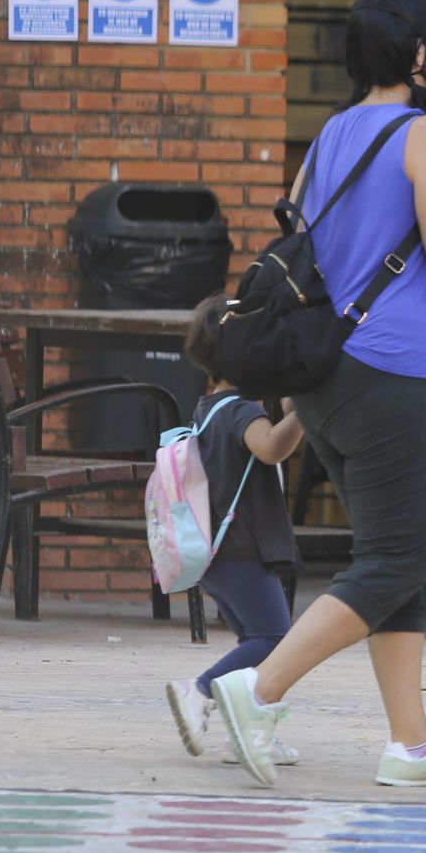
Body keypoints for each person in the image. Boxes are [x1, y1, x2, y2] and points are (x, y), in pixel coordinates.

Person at [210, 0, 426, 789]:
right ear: (409, 51)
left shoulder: (327, 139)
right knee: (395, 561)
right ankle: (260, 689)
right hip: (397, 380)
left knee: (401, 561)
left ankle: (411, 745)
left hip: (329, 384)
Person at [165, 295, 307, 766]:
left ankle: (246, 733)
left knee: (256, 648)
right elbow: (269, 449)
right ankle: (198, 690)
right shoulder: (242, 412)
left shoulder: (208, 407)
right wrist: (304, 415)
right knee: (274, 640)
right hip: (243, 550)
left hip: (215, 554)